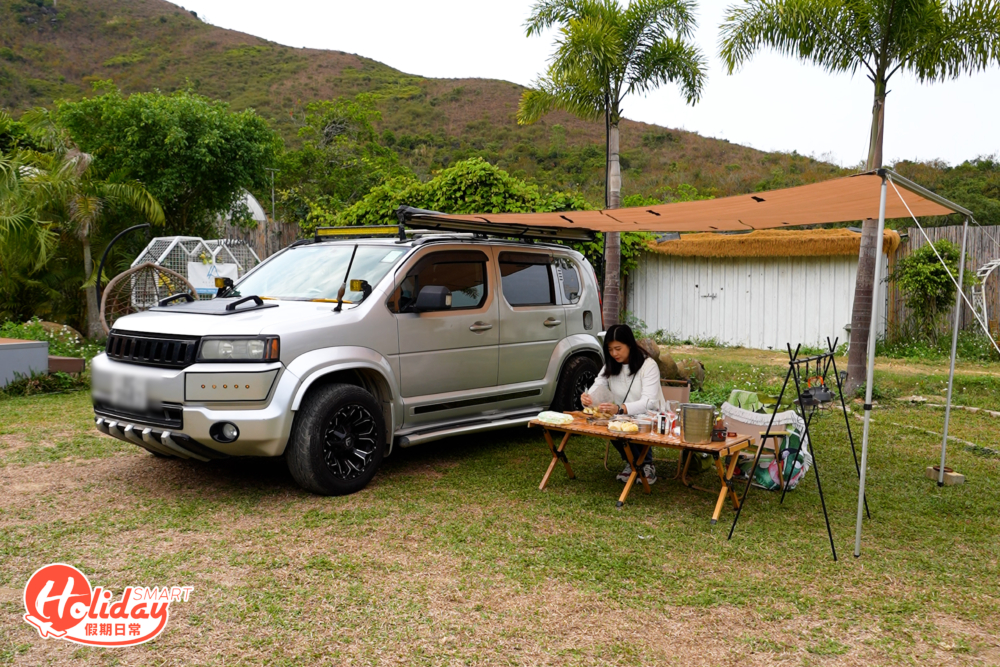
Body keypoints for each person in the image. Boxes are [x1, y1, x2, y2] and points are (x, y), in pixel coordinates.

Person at [580, 324, 662, 484]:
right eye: (610, 349)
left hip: (649, 415)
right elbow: (598, 385)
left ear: (630, 345)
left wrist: (620, 409)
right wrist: (587, 398)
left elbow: (650, 401)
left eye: (618, 348)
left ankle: (645, 465)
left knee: (625, 423)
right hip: (621, 416)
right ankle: (632, 463)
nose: (614, 353)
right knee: (609, 424)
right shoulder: (611, 365)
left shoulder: (648, 365)